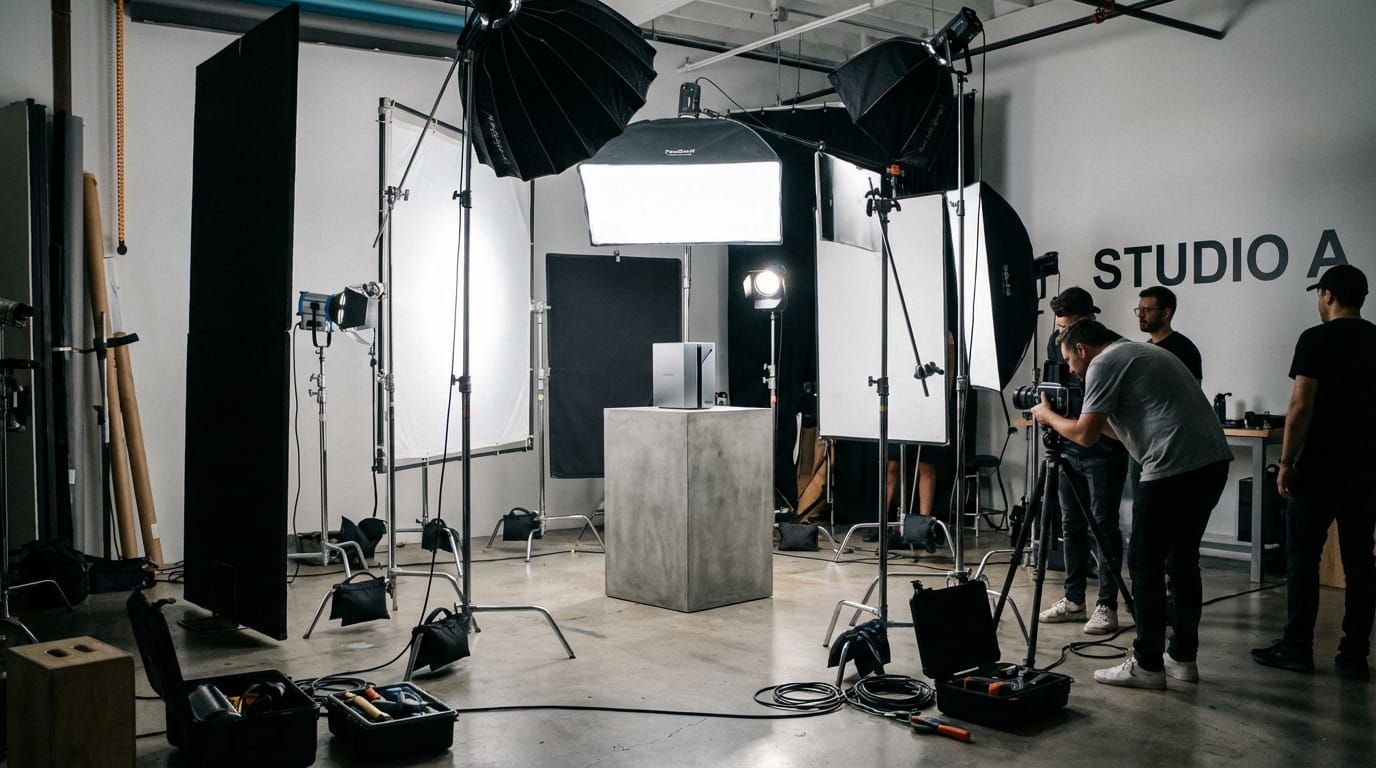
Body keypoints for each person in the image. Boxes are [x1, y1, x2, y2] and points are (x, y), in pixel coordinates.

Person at [1031, 320, 1231, 689]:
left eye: (1070, 363)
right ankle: (1182, 659)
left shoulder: (1105, 363)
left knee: (1144, 563)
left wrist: (1048, 417)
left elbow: (1086, 437)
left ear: (1081, 349)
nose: (1073, 373)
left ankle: (1147, 664)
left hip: (1172, 466)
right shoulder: (1140, 352)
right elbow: (1115, 429)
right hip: (1211, 463)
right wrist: (1078, 417)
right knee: (1183, 561)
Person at [1252, 264, 1376, 682]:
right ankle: (1354, 654)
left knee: (1302, 558)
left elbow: (1300, 406)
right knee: (1362, 563)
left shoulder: (1316, 338)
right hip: (1366, 470)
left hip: (1320, 467)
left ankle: (1297, 647)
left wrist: (1285, 462)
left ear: (1327, 295)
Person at [1037, 288, 1129, 635]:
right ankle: (1074, 599)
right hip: (1067, 445)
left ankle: (1108, 605)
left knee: (1103, 527)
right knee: (1070, 525)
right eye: (1059, 327)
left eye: (1069, 327)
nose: (1062, 334)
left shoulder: (1113, 348)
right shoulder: (1054, 341)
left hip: (1103, 448)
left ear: (1090, 319)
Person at [1136, 286, 1202, 382]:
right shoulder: (1146, 347)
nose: (1140, 315)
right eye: (1140, 310)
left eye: (1147, 310)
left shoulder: (1184, 349)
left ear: (1165, 314)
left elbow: (1193, 393)